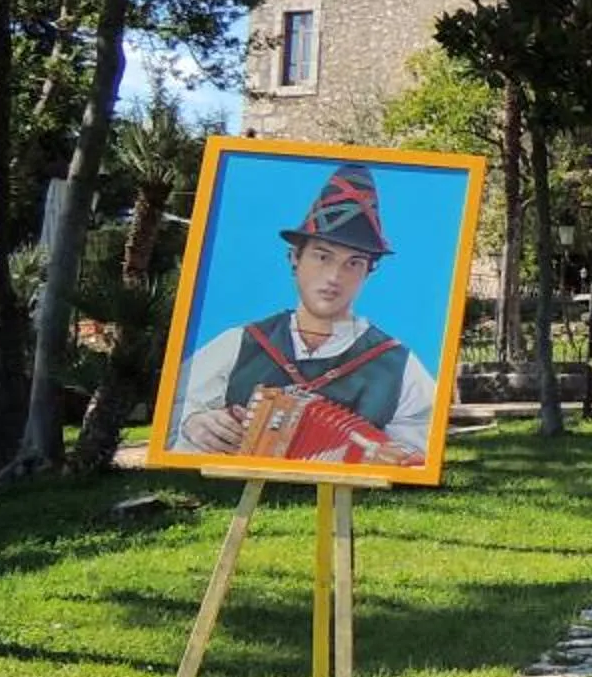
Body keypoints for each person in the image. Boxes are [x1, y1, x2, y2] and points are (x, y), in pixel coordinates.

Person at [171, 163, 439, 467]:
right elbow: (172, 407)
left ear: (367, 273)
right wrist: (192, 423)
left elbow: (423, 451)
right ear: (294, 258)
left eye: (354, 263)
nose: (334, 277)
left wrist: (396, 460)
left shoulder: (398, 364)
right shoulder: (242, 342)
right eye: (322, 256)